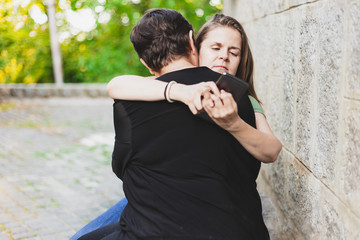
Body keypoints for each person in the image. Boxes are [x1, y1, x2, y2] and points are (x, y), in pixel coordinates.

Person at [74, 9, 281, 240]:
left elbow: (271, 150)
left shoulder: (243, 100)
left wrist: (232, 123)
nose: (224, 57)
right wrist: (180, 91)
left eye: (234, 52)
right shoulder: (160, 86)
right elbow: (116, 85)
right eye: (215, 48)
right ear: (195, 47)